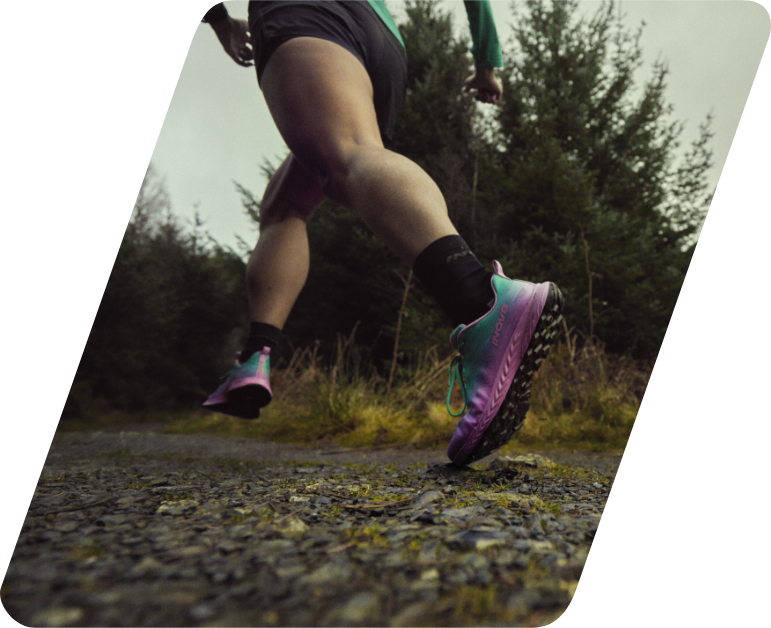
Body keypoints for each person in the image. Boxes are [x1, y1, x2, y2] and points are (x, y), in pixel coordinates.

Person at [200, 0, 563, 466]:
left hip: (306, 12)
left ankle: (481, 301)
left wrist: (218, 20)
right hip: (381, 41)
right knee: (285, 206)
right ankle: (255, 356)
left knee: (349, 156)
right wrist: (487, 60)